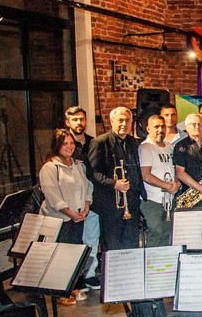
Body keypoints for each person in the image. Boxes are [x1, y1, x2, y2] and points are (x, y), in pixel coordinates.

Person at [40, 129, 92, 305]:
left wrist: (85, 208)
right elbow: (53, 196)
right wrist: (71, 213)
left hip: (78, 216)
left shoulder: (78, 165)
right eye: (65, 144)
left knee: (74, 254)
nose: (69, 147)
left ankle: (73, 288)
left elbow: (88, 186)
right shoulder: (50, 167)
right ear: (57, 146)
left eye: (71, 143)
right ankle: (60, 292)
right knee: (61, 256)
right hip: (60, 219)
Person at [89, 106, 145, 254]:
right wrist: (114, 184)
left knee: (131, 242)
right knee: (113, 243)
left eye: (127, 120)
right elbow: (93, 173)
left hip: (131, 202)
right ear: (111, 121)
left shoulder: (133, 142)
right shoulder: (99, 142)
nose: (124, 124)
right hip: (111, 204)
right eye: (120, 120)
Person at [65, 106, 100, 291]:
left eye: (81, 119)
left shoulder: (94, 142)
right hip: (71, 202)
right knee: (74, 241)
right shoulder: (65, 144)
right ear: (68, 122)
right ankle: (74, 277)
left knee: (92, 238)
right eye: (75, 119)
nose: (79, 122)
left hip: (91, 197)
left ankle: (90, 274)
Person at [139, 115, 181, 247]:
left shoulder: (169, 147)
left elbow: (176, 169)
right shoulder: (146, 147)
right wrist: (168, 186)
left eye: (162, 126)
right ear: (148, 129)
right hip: (153, 201)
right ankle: (151, 266)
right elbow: (145, 175)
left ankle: (163, 266)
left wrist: (177, 183)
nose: (160, 129)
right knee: (155, 234)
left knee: (168, 235)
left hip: (169, 199)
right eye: (156, 126)